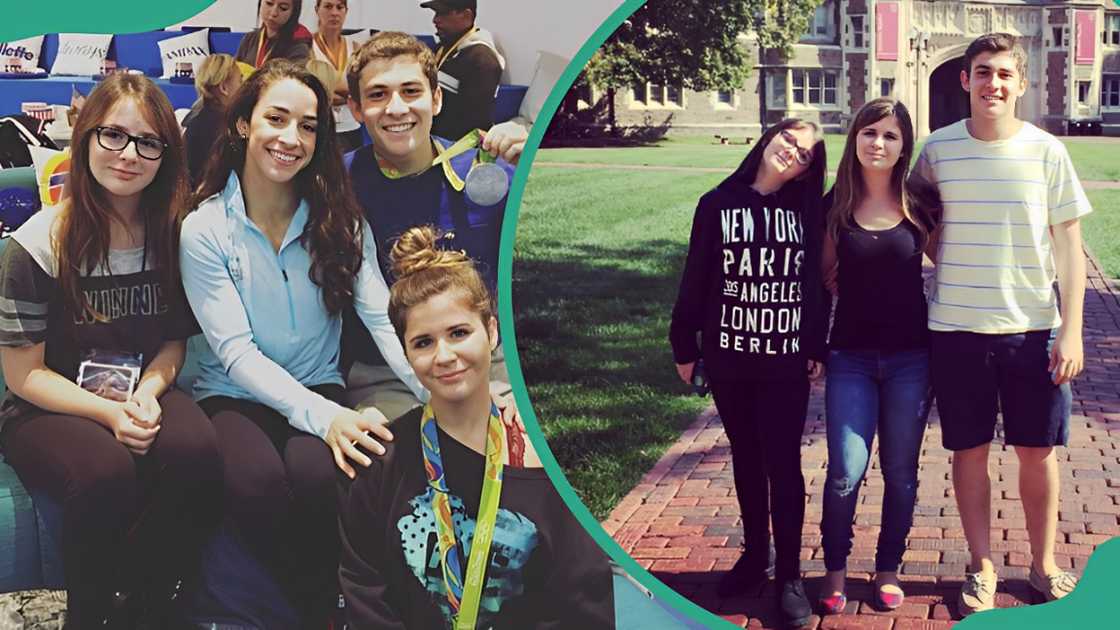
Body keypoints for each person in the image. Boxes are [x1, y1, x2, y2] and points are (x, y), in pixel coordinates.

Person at [179, 59, 424, 625]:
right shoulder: (204, 228)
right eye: (277, 119)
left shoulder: (339, 218)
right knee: (258, 484)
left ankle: (322, 610)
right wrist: (325, 418)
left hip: (320, 383)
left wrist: (445, 394)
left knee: (324, 479)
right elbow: (236, 353)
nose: (291, 138)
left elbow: (383, 317)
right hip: (235, 394)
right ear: (244, 125)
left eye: (309, 126)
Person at [0, 73, 221, 628]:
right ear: (85, 139)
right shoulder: (36, 245)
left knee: (198, 451)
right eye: (113, 135)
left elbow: (173, 342)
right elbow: (24, 375)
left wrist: (148, 391)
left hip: (138, 390)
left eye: (148, 142)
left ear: (166, 154)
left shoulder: (172, 236)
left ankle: (147, 608)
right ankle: (91, 615)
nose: (128, 155)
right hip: (46, 405)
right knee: (104, 473)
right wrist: (106, 412)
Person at [338, 225, 615, 629]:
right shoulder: (384, 463)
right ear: (405, 354)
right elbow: (365, 590)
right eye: (423, 342)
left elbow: (583, 600)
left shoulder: (540, 461)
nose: (444, 355)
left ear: (491, 331)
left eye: (459, 333)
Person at [910, 32, 1091, 615]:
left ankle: (1043, 565)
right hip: (956, 328)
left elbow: (1069, 246)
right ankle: (982, 566)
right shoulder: (937, 150)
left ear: (1022, 83)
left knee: (1038, 452)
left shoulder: (1047, 151)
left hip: (1032, 328)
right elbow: (912, 223)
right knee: (969, 451)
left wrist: (1072, 330)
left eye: (1005, 74)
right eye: (983, 72)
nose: (994, 83)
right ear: (965, 80)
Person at [668, 119, 829, 628]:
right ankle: (754, 555)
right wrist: (683, 343)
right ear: (768, 138)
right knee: (746, 457)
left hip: (783, 359)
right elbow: (697, 275)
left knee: (782, 464)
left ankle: (789, 576)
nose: (793, 153)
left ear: (808, 171)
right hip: (729, 355)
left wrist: (814, 343)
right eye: (789, 140)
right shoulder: (717, 203)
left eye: (805, 154)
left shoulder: (808, 211)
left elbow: (816, 286)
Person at [340, 31, 521, 421]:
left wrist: (532, 161)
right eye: (377, 95)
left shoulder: (488, 173)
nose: (396, 108)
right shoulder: (336, 185)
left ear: (436, 99)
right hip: (382, 375)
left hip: (485, 366)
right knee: (394, 462)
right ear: (355, 108)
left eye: (410, 91)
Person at [816, 98, 940, 615]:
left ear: (903, 145)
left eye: (890, 136)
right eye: (870, 133)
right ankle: (835, 571)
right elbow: (822, 278)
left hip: (912, 358)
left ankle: (888, 568)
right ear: (856, 139)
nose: (878, 144)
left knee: (900, 471)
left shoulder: (918, 204)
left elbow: (950, 260)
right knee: (845, 469)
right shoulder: (836, 204)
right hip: (851, 358)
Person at [419, 0, 505, 141]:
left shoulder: (482, 60)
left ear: (466, 15)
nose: (435, 20)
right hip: (431, 137)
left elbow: (473, 123)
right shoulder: (443, 46)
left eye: (443, 13)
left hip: (453, 148)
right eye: (435, 13)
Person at [310, 0, 363, 152]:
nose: (334, 12)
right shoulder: (306, 47)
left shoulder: (356, 48)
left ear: (346, 11)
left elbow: (361, 91)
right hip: (320, 126)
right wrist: (348, 92)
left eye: (339, 7)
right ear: (317, 10)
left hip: (351, 127)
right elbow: (312, 92)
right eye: (328, 6)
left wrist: (328, 88)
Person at [184, 53, 243, 186]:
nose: (244, 87)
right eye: (240, 81)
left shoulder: (196, 118)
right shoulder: (224, 131)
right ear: (224, 88)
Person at [235, 0, 313, 69]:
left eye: (283, 8)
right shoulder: (249, 38)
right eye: (269, 3)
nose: (273, 13)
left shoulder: (299, 48)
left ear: (293, 12)